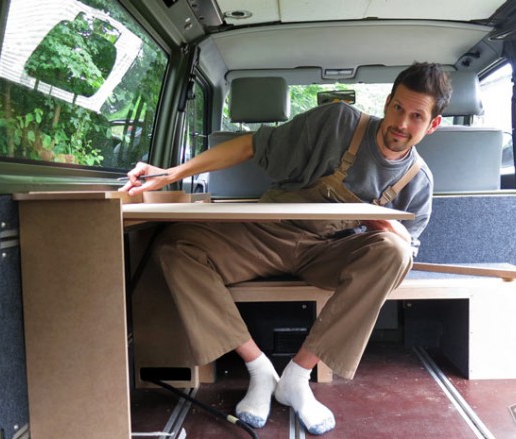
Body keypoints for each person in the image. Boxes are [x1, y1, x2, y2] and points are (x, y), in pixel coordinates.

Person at [120, 62, 452, 435]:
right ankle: (260, 370)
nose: (401, 124)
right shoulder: (338, 123)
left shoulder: (418, 181)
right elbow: (251, 145)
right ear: (388, 101)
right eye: (397, 108)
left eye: (417, 116)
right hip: (265, 235)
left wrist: (384, 225)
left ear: (433, 124)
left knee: (394, 251)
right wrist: (171, 173)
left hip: (328, 255)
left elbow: (408, 250)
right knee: (175, 248)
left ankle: (296, 376)